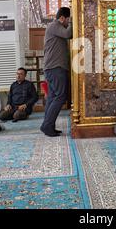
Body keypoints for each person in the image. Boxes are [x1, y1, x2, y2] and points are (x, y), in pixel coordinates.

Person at [40, 7, 72, 137]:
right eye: (68, 20)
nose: (68, 23)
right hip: (55, 68)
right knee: (60, 97)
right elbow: (68, 34)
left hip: (53, 68)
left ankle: (48, 126)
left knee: (53, 98)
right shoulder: (54, 25)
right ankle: (47, 125)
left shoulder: (54, 27)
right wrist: (73, 21)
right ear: (62, 18)